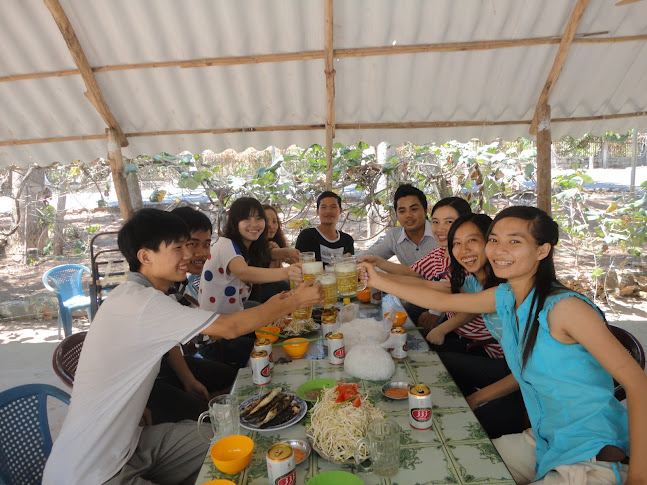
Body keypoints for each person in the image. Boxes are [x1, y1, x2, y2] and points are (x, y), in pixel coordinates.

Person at [361, 206, 647, 484]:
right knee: (452, 464)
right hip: (544, 439)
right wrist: (378, 280)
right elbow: (443, 301)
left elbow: (637, 384)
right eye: (495, 240)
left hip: (591, 454)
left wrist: (639, 478)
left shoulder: (566, 308)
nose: (499, 250)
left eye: (514, 241)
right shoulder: (507, 294)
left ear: (542, 251)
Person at [43, 208, 322, 485]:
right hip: (92, 471)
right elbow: (230, 328)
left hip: (132, 442)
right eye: (178, 247)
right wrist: (295, 301)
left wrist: (140, 402)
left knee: (235, 444)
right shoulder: (141, 303)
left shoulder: (139, 296)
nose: (189, 255)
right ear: (145, 257)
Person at [425, 212, 523, 438]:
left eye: (472, 240)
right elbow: (436, 291)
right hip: (511, 368)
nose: (464, 250)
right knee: (440, 363)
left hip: (530, 389)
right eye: (457, 243)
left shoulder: (514, 292)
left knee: (463, 428)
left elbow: (526, 373)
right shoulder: (474, 279)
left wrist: (476, 400)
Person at [144, 206, 237, 424]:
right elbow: (215, 333)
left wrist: (188, 380)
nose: (201, 253)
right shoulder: (147, 294)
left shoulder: (177, 283)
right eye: (191, 244)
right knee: (206, 421)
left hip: (166, 363)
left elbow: (170, 345)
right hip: (146, 384)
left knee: (233, 377)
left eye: (206, 244)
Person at [198, 197, 302, 366]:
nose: (254, 224)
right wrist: (287, 272)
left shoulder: (242, 247)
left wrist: (286, 252)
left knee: (279, 330)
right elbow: (244, 272)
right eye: (246, 218)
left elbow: (264, 255)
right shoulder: (225, 245)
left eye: (258, 218)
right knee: (275, 352)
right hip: (216, 340)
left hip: (234, 324)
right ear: (234, 222)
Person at [361, 197, 471, 331]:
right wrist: (377, 266)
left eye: (449, 222)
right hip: (451, 321)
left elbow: (457, 300)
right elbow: (412, 272)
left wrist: (439, 325)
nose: (440, 229)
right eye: (435, 222)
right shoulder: (440, 251)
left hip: (469, 336)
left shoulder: (467, 258)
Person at [359, 184, 437, 266]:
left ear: (425, 211)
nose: (408, 215)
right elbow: (371, 255)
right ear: (396, 214)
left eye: (414, 209)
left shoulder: (441, 233)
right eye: (402, 211)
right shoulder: (394, 237)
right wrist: (349, 259)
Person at [248, 204, 295, 303]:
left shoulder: (275, 243)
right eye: (266, 221)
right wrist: (279, 255)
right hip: (254, 298)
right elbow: (268, 281)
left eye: (274, 221)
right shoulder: (251, 245)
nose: (271, 226)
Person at [295, 191, 354, 265]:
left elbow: (350, 268)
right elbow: (302, 266)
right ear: (317, 211)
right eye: (323, 207)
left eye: (333, 207)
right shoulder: (307, 236)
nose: (328, 211)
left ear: (340, 210)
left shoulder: (347, 240)